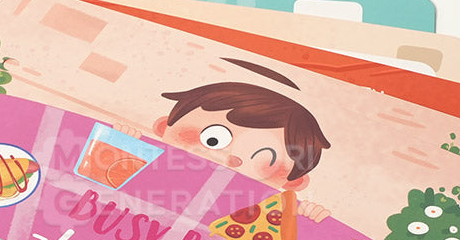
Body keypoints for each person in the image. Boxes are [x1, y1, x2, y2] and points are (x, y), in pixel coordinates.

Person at [115, 60, 332, 222]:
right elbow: (112, 180)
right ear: (163, 127)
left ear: (293, 183)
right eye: (213, 139)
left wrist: (308, 219)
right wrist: (121, 145)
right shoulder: (152, 166)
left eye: (262, 157)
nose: (230, 158)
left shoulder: (262, 214)